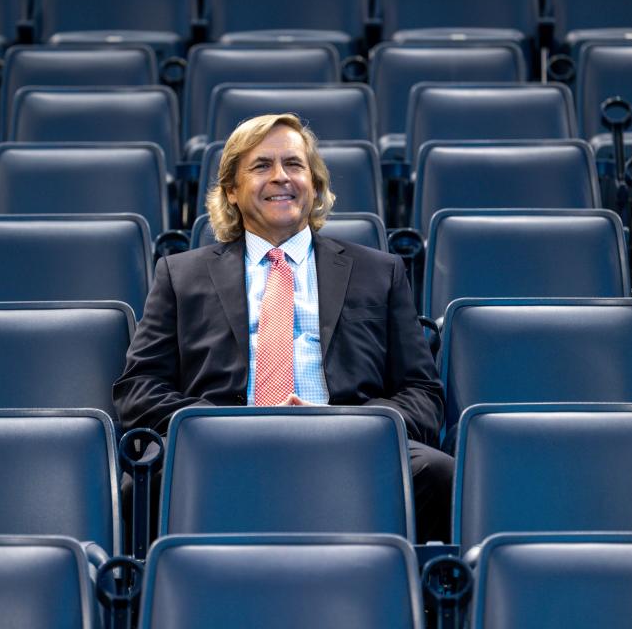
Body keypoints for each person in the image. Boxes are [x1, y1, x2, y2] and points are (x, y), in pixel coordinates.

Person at [113, 113, 452, 542]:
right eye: (261, 166)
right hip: (219, 447)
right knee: (141, 487)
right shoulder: (180, 276)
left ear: (315, 185)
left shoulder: (378, 272)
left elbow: (422, 394)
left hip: (350, 442)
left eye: (294, 165)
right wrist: (220, 424)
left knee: (439, 474)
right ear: (232, 191)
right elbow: (139, 388)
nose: (281, 177)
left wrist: (347, 422)